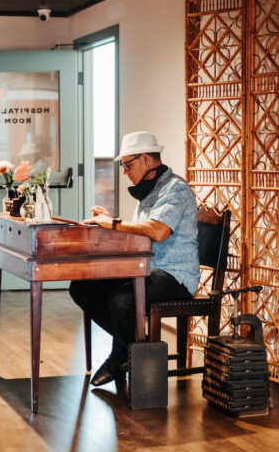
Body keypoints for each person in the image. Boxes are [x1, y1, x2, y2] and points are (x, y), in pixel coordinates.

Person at [69, 131, 199, 388]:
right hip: (146, 269)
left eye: (128, 164)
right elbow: (141, 230)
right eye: (123, 166)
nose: (125, 171)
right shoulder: (148, 192)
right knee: (82, 287)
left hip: (176, 276)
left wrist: (114, 223)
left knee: (122, 300)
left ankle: (120, 359)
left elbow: (158, 231)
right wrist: (111, 222)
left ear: (147, 160)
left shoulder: (176, 189)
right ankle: (137, 347)